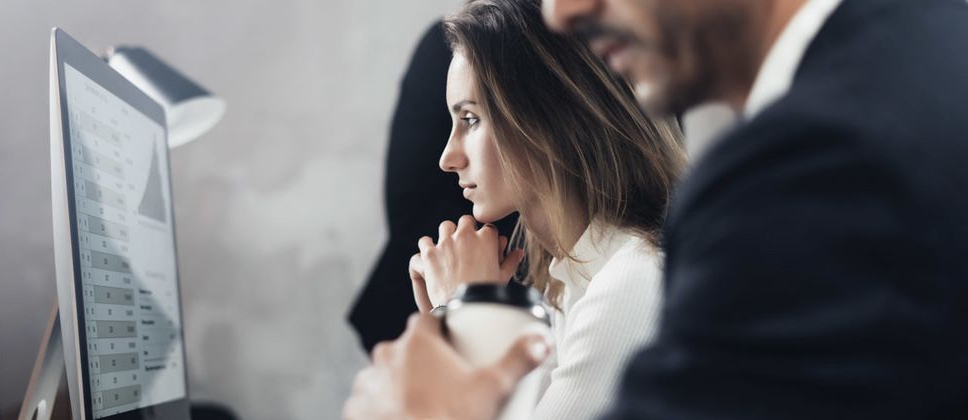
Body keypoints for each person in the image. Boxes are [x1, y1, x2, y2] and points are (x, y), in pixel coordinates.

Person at [344, 0, 968, 418]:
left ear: (551, 116)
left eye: (472, 119)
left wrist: (462, 335)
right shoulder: (560, 282)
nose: (564, 12)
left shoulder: (807, 163)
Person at [370, 0, 686, 417]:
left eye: (471, 119)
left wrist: (466, 312)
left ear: (548, 119)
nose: (448, 158)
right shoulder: (567, 288)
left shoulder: (629, 285)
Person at [348, 21, 518, 353]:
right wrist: (461, 296)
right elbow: (408, 198)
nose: (448, 159)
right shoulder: (452, 46)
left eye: (471, 120)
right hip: (440, 290)